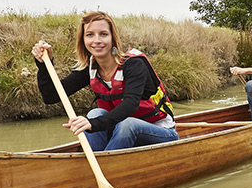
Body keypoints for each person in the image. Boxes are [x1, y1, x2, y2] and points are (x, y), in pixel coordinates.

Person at [33, 11, 179, 151]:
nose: (97, 40)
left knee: (127, 124)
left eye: (103, 34)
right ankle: (99, 159)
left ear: (112, 38)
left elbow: (130, 105)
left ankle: (104, 166)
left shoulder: (134, 65)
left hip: (160, 131)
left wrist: (93, 124)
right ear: (83, 40)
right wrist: (44, 64)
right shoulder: (90, 68)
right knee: (95, 113)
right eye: (90, 35)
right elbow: (51, 96)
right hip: (120, 132)